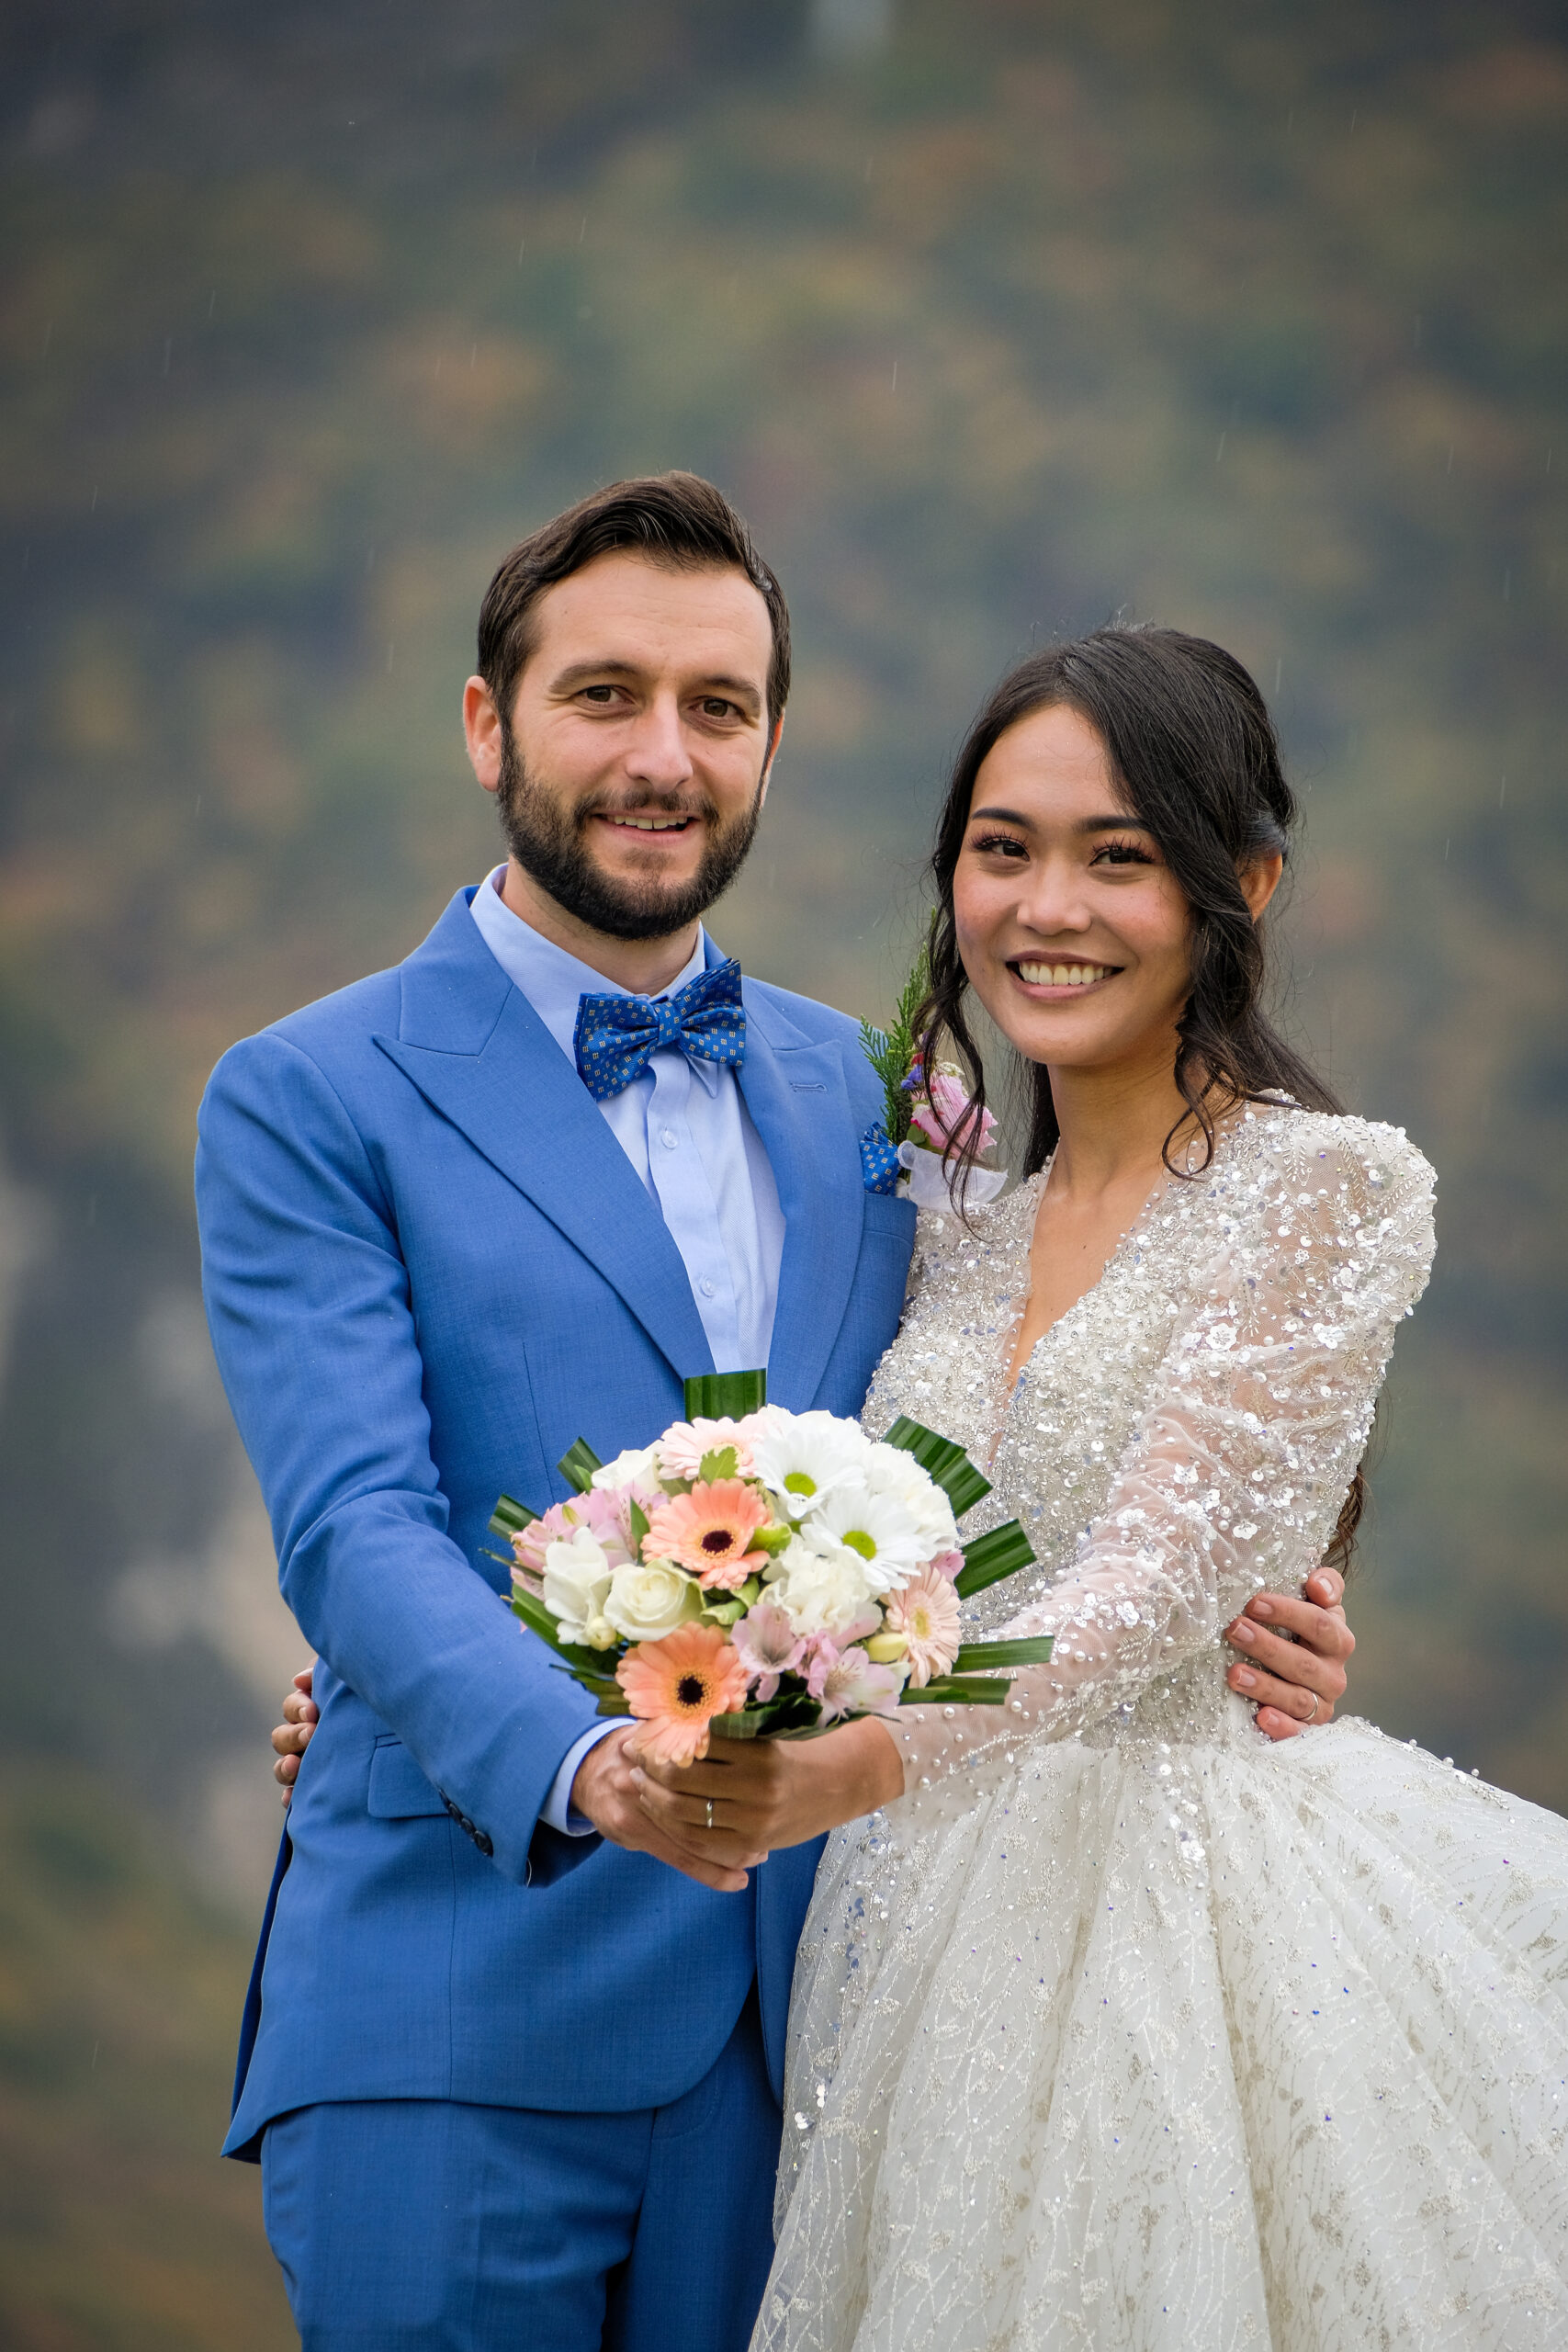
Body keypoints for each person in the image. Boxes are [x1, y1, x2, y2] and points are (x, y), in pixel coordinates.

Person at [212, 475, 1347, 2352]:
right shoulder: (306, 1092)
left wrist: (1249, 1611)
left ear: (769, 744)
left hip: (825, 2030)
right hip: (454, 2005)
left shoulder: (874, 1091)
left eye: (716, 708)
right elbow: (352, 1523)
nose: (662, 755)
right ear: (489, 722)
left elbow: (1033, 1424)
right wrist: (563, 1754)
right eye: (604, 695)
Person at [629, 624, 1568, 2350]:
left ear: (1245, 885)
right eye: (1004, 850)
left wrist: (868, 1757)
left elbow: (1148, 1584)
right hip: (906, 1916)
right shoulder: (947, 1226)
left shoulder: (1327, 1193)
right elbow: (762, 1513)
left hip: (1182, 1919)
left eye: (1118, 857)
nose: (1046, 908)